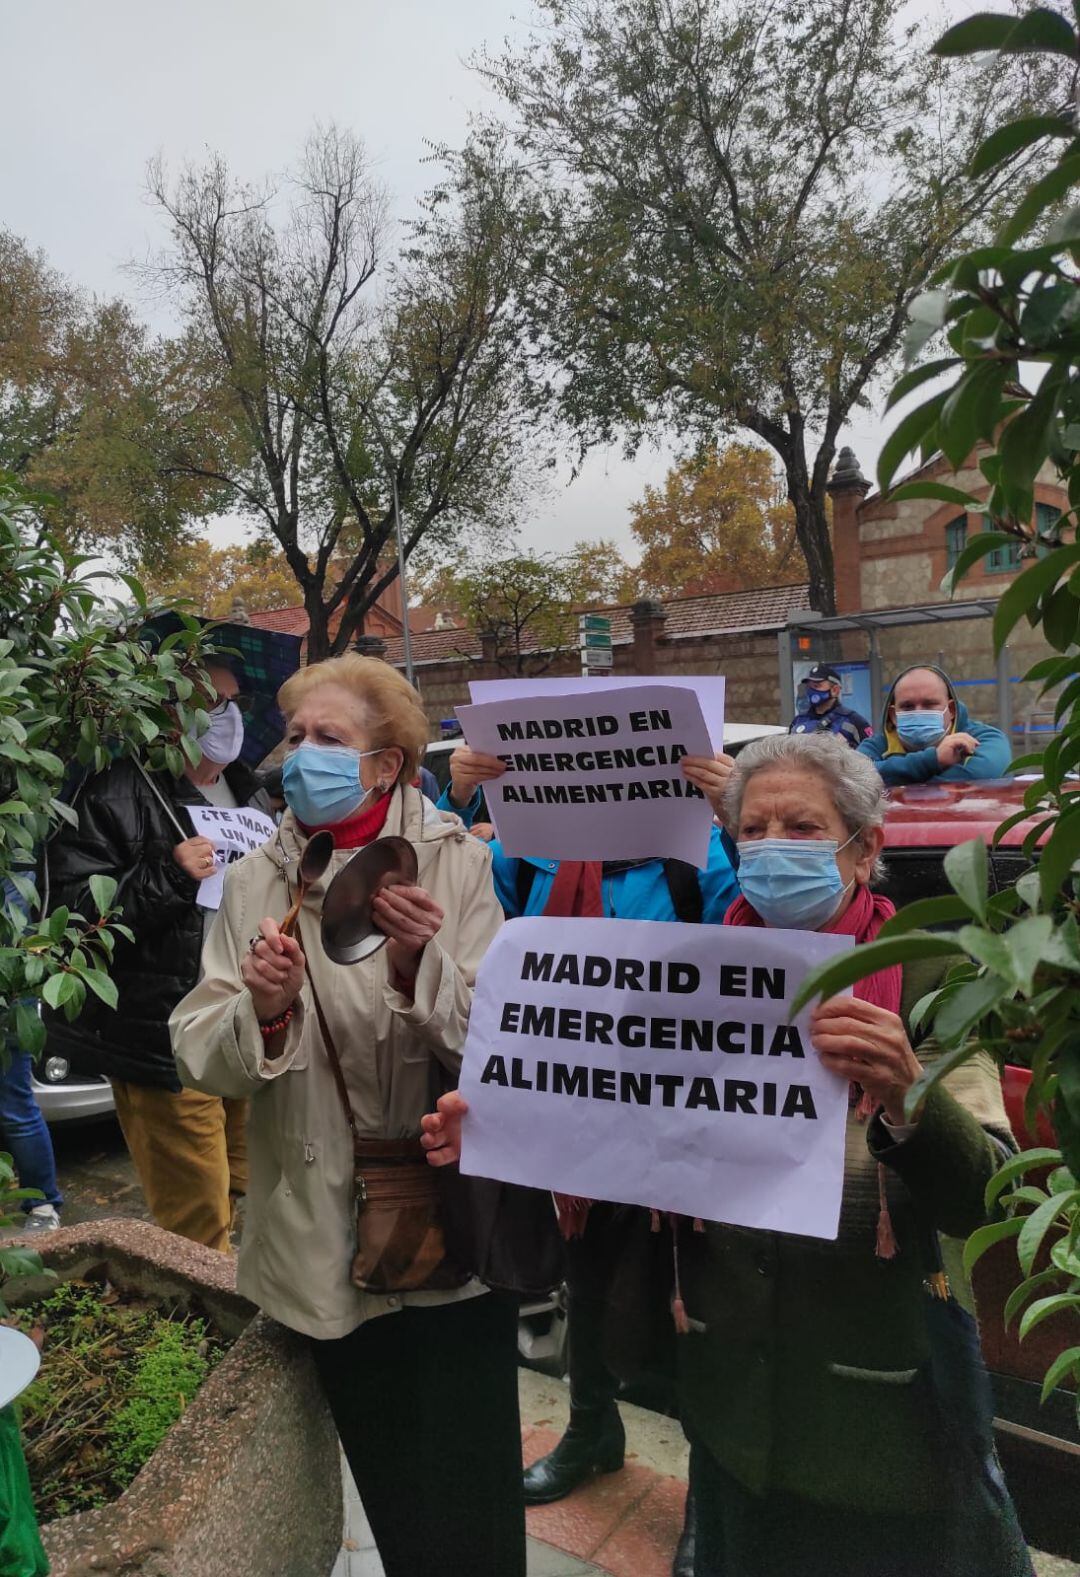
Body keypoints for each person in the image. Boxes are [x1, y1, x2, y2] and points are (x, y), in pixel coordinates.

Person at [425, 734, 1032, 1577]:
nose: (776, 845)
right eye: (756, 828)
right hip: (728, 1410)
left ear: (866, 850)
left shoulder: (931, 979)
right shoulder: (684, 973)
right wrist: (504, 1129)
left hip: (887, 1415)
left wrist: (907, 1094)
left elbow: (993, 1203)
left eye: (804, 826)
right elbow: (617, 1129)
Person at [169, 655, 523, 1577]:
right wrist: (265, 1008)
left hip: (449, 1218)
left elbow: (504, 1037)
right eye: (296, 736)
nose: (302, 755)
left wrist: (419, 964)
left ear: (388, 766)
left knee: (474, 1485)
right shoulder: (254, 881)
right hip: (321, 1226)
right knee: (395, 1479)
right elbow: (197, 1047)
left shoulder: (460, 860)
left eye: (330, 738)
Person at [437, 743, 739, 1577]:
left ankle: (705, 1493)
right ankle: (591, 1427)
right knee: (586, 1271)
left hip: (675, 1114)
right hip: (568, 1113)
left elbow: (756, 935)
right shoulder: (526, 854)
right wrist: (458, 799)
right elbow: (454, 901)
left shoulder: (697, 854)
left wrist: (736, 813)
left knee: (686, 1294)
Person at [43, 658, 269, 1253]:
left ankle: (254, 1315)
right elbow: (76, 920)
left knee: (252, 1190)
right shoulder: (114, 789)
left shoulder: (254, 792)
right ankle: (202, 1334)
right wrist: (169, 875)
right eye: (209, 702)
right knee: (196, 1223)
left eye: (233, 699)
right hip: (166, 1037)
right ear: (164, 713)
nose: (228, 716)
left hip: (248, 1027)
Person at [858, 663, 1012, 785]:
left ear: (951, 709)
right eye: (907, 706)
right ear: (893, 715)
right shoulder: (877, 745)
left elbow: (981, 774)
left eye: (929, 704)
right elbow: (852, 777)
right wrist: (933, 760)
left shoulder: (986, 738)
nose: (918, 712)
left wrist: (894, 781)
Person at [789, 663, 872, 748]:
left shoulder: (854, 720)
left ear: (835, 690)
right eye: (809, 686)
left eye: (816, 686)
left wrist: (848, 748)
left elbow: (870, 755)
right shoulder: (799, 721)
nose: (811, 690)